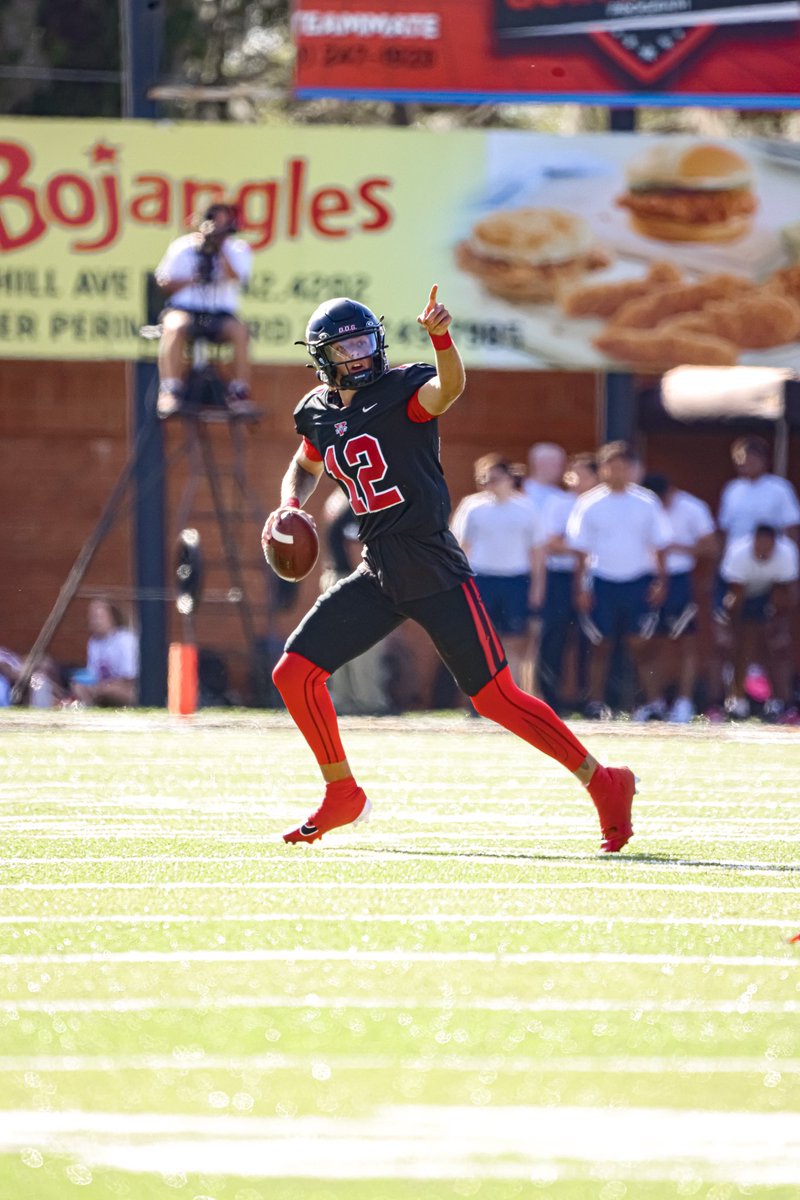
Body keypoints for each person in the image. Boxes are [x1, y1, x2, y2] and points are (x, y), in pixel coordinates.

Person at [262, 286, 638, 853]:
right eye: (345, 348)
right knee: (294, 672)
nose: (359, 355)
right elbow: (304, 463)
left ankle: (604, 781)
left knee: (495, 698)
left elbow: (448, 388)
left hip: (433, 566)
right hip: (379, 569)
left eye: (365, 342)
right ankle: (342, 792)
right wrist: (290, 503)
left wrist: (441, 339)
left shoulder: (402, 390)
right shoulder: (316, 411)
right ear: (323, 358)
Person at [567, 441, 671, 720]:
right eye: (611, 466)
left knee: (642, 644)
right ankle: (596, 704)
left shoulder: (647, 501)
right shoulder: (588, 503)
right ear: (602, 469)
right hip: (602, 582)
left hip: (639, 581)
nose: (617, 472)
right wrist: (580, 588)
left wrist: (661, 581)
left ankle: (654, 704)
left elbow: (660, 545)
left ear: (633, 469)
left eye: (623, 466)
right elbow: (580, 551)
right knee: (600, 644)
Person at [154, 202, 255, 419]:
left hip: (220, 312)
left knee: (240, 331)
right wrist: (192, 278)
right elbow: (164, 282)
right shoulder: (183, 247)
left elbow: (237, 278)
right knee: (174, 326)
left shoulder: (237, 249)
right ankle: (170, 390)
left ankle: (239, 392)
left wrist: (219, 250)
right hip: (185, 309)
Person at [451, 453, 543, 689]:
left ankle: (514, 690)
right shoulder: (472, 506)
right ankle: (479, 693)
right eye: (484, 479)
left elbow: (536, 552)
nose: (488, 484)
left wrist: (537, 588)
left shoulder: (526, 508)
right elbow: (462, 547)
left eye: (494, 478)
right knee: (480, 639)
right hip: (481, 579)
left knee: (514, 638)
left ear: (509, 478)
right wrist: (459, 583)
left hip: (515, 580)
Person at [641, 473, 717, 724]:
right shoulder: (642, 506)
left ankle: (684, 702)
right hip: (645, 578)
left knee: (685, 640)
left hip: (679, 579)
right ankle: (654, 702)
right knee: (645, 641)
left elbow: (711, 545)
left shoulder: (692, 507)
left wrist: (676, 547)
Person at [535, 453, 598, 715]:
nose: (575, 480)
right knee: (554, 638)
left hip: (595, 578)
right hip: (560, 578)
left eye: (583, 475)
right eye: (573, 474)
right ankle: (550, 700)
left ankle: (589, 699)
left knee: (591, 639)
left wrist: (577, 547)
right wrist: (582, 549)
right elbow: (551, 542)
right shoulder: (558, 502)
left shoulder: (600, 503)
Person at [717, 524, 799, 722]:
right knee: (743, 644)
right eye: (759, 544)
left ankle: (780, 701)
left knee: (775, 647)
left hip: (769, 595)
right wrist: (731, 628)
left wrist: (779, 627)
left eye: (767, 545)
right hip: (739, 596)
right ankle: (737, 700)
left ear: (775, 544)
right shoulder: (738, 554)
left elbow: (786, 594)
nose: (763, 549)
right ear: (753, 542)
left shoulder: (787, 554)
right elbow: (734, 597)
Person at [718, 435, 800, 550]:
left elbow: (791, 526)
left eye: (750, 459)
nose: (745, 462)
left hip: (770, 555)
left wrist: (791, 554)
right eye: (740, 458)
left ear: (764, 460)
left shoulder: (780, 488)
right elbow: (724, 528)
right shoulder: (732, 489)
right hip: (737, 554)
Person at [69, 598, 140, 707]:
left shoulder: (126, 640)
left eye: (99, 617)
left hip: (129, 689)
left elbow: (130, 678)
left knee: (108, 690)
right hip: (102, 687)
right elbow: (93, 674)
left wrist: (105, 687)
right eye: (92, 617)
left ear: (112, 618)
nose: (94, 621)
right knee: (78, 686)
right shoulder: (93, 642)